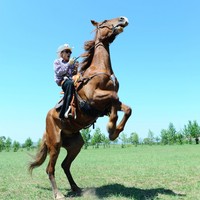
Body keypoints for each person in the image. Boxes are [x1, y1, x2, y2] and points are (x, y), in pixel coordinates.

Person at [54, 43, 76, 119]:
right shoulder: (57, 62)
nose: (69, 53)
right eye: (67, 51)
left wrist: (76, 68)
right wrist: (68, 65)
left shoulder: (71, 63)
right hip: (63, 81)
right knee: (70, 84)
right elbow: (59, 72)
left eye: (70, 52)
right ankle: (64, 112)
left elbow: (73, 73)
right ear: (62, 53)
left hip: (71, 80)